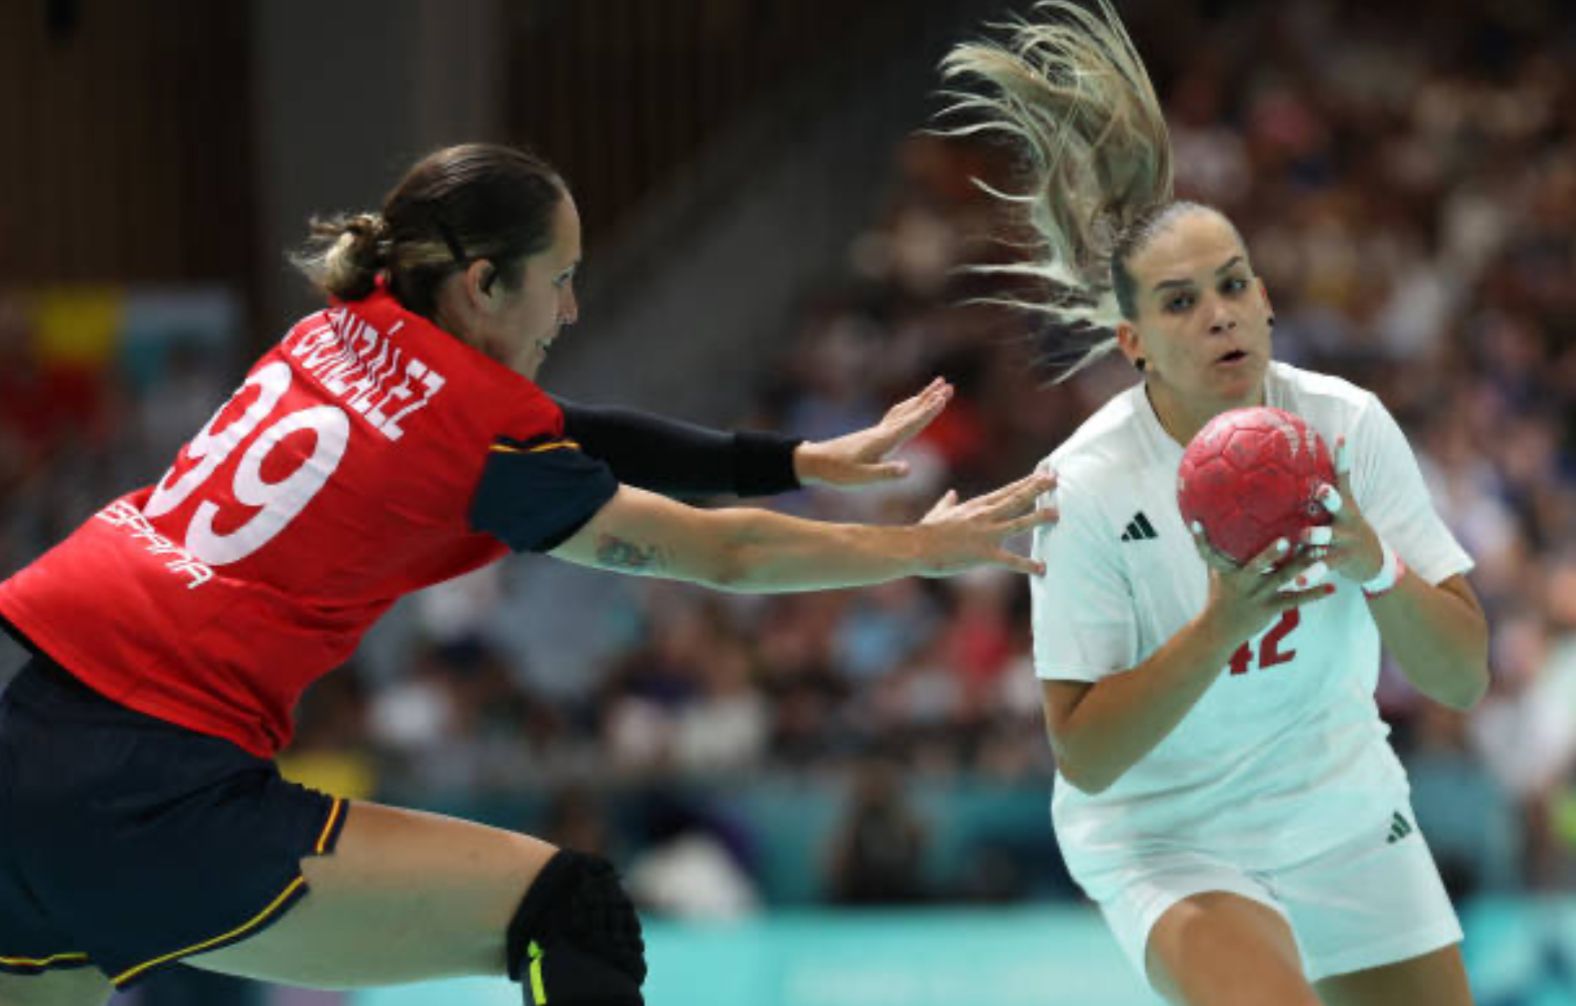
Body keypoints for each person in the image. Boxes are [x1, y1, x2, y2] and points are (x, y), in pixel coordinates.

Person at [0, 142, 1056, 1006]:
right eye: (559, 280)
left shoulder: (336, 330)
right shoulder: (472, 440)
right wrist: (916, 547)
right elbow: (722, 554)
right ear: (482, 283)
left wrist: (782, 461)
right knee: (570, 915)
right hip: (159, 787)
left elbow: (568, 430)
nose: (571, 312)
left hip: (28, 729)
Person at [941, 3, 1489, 1005]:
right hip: (1164, 827)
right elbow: (1088, 754)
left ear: (1267, 298)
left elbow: (1460, 677)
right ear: (1134, 342)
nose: (1220, 313)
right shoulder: (1090, 484)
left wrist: (1376, 563)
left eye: (1233, 284)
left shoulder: (1346, 425)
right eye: (1182, 301)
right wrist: (1222, 621)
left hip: (1338, 800)